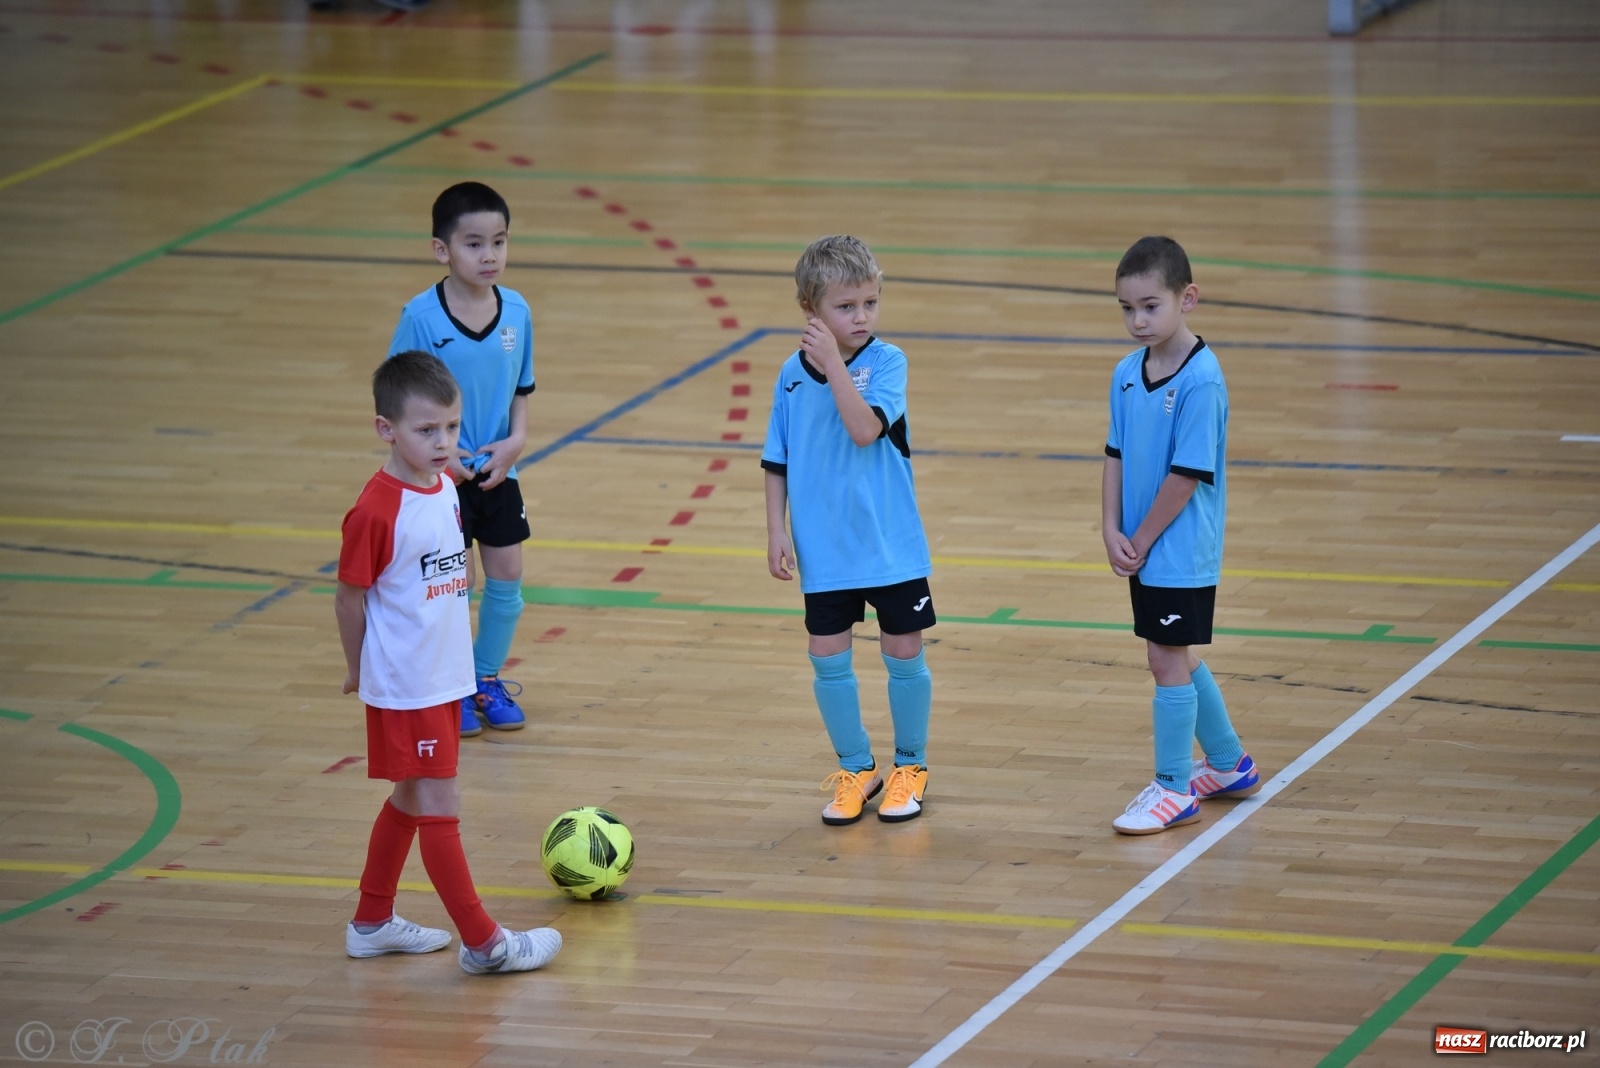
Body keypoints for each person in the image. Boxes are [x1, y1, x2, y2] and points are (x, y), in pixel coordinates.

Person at [335, 350, 561, 973]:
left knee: (412, 796)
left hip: (442, 677)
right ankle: (485, 944)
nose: (443, 442)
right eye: (427, 430)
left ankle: (371, 922)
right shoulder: (376, 511)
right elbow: (349, 598)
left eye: (452, 427)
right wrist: (357, 670)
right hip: (410, 685)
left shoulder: (442, 485)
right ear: (386, 430)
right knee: (439, 802)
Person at [761, 235, 937, 826]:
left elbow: (864, 430)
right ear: (810, 309)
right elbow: (777, 458)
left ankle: (910, 767)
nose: (861, 317)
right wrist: (776, 530)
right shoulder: (790, 375)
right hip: (824, 549)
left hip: (890, 546)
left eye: (870, 303)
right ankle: (858, 769)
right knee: (827, 656)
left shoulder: (887, 362)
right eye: (845, 307)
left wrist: (835, 364)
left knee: (903, 651)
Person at [1101, 236, 1262, 835]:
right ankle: (1227, 764)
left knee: (1163, 658)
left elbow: (1186, 477)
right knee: (1174, 653)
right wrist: (1110, 527)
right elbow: (1115, 454)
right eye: (1127, 309)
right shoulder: (1126, 373)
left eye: (1151, 306)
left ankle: (1173, 790)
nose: (1138, 321)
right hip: (1143, 544)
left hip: (1178, 547)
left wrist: (1141, 538)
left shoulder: (1202, 381)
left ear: (1186, 298)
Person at [390, 182, 534, 737]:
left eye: (499, 241)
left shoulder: (517, 311)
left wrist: (516, 441)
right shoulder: (421, 318)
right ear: (441, 250)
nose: (489, 255)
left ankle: (484, 679)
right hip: (440, 478)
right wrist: (441, 460)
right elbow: (399, 401)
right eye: (473, 244)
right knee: (455, 585)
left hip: (498, 471)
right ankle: (448, 691)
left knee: (508, 576)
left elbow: (522, 389)